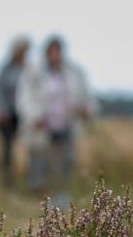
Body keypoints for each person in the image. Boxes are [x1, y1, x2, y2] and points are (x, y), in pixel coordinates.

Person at [17, 35, 97, 209]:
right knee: (42, 162)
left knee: (66, 162)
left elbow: (86, 97)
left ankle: (62, 197)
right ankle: (43, 201)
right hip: (43, 126)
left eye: (57, 51)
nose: (55, 55)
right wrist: (34, 117)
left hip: (67, 125)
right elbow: (24, 98)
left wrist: (86, 110)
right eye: (51, 51)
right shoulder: (34, 72)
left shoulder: (74, 72)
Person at [0, 37, 30, 186]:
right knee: (7, 150)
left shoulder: (29, 69)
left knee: (28, 149)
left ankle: (27, 179)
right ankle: (7, 180)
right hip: (6, 117)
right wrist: (2, 111)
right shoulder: (4, 69)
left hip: (25, 116)